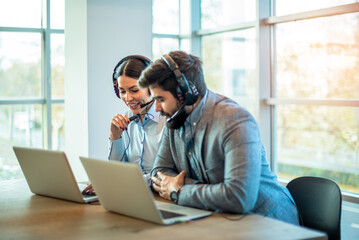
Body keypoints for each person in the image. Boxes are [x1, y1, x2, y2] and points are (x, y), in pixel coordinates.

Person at [138, 51, 300, 225]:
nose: (156, 108)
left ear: (185, 93)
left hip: (267, 222)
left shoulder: (235, 120)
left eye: (160, 99)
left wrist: (180, 188)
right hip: (219, 218)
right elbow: (159, 173)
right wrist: (215, 192)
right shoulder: (175, 117)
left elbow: (239, 197)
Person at [83, 55, 166, 194]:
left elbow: (167, 175)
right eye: (122, 91)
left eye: (134, 90)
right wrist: (115, 137)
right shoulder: (126, 119)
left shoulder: (167, 121)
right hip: (129, 195)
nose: (127, 98)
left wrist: (121, 183)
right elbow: (116, 171)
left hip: (160, 197)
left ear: (152, 88)